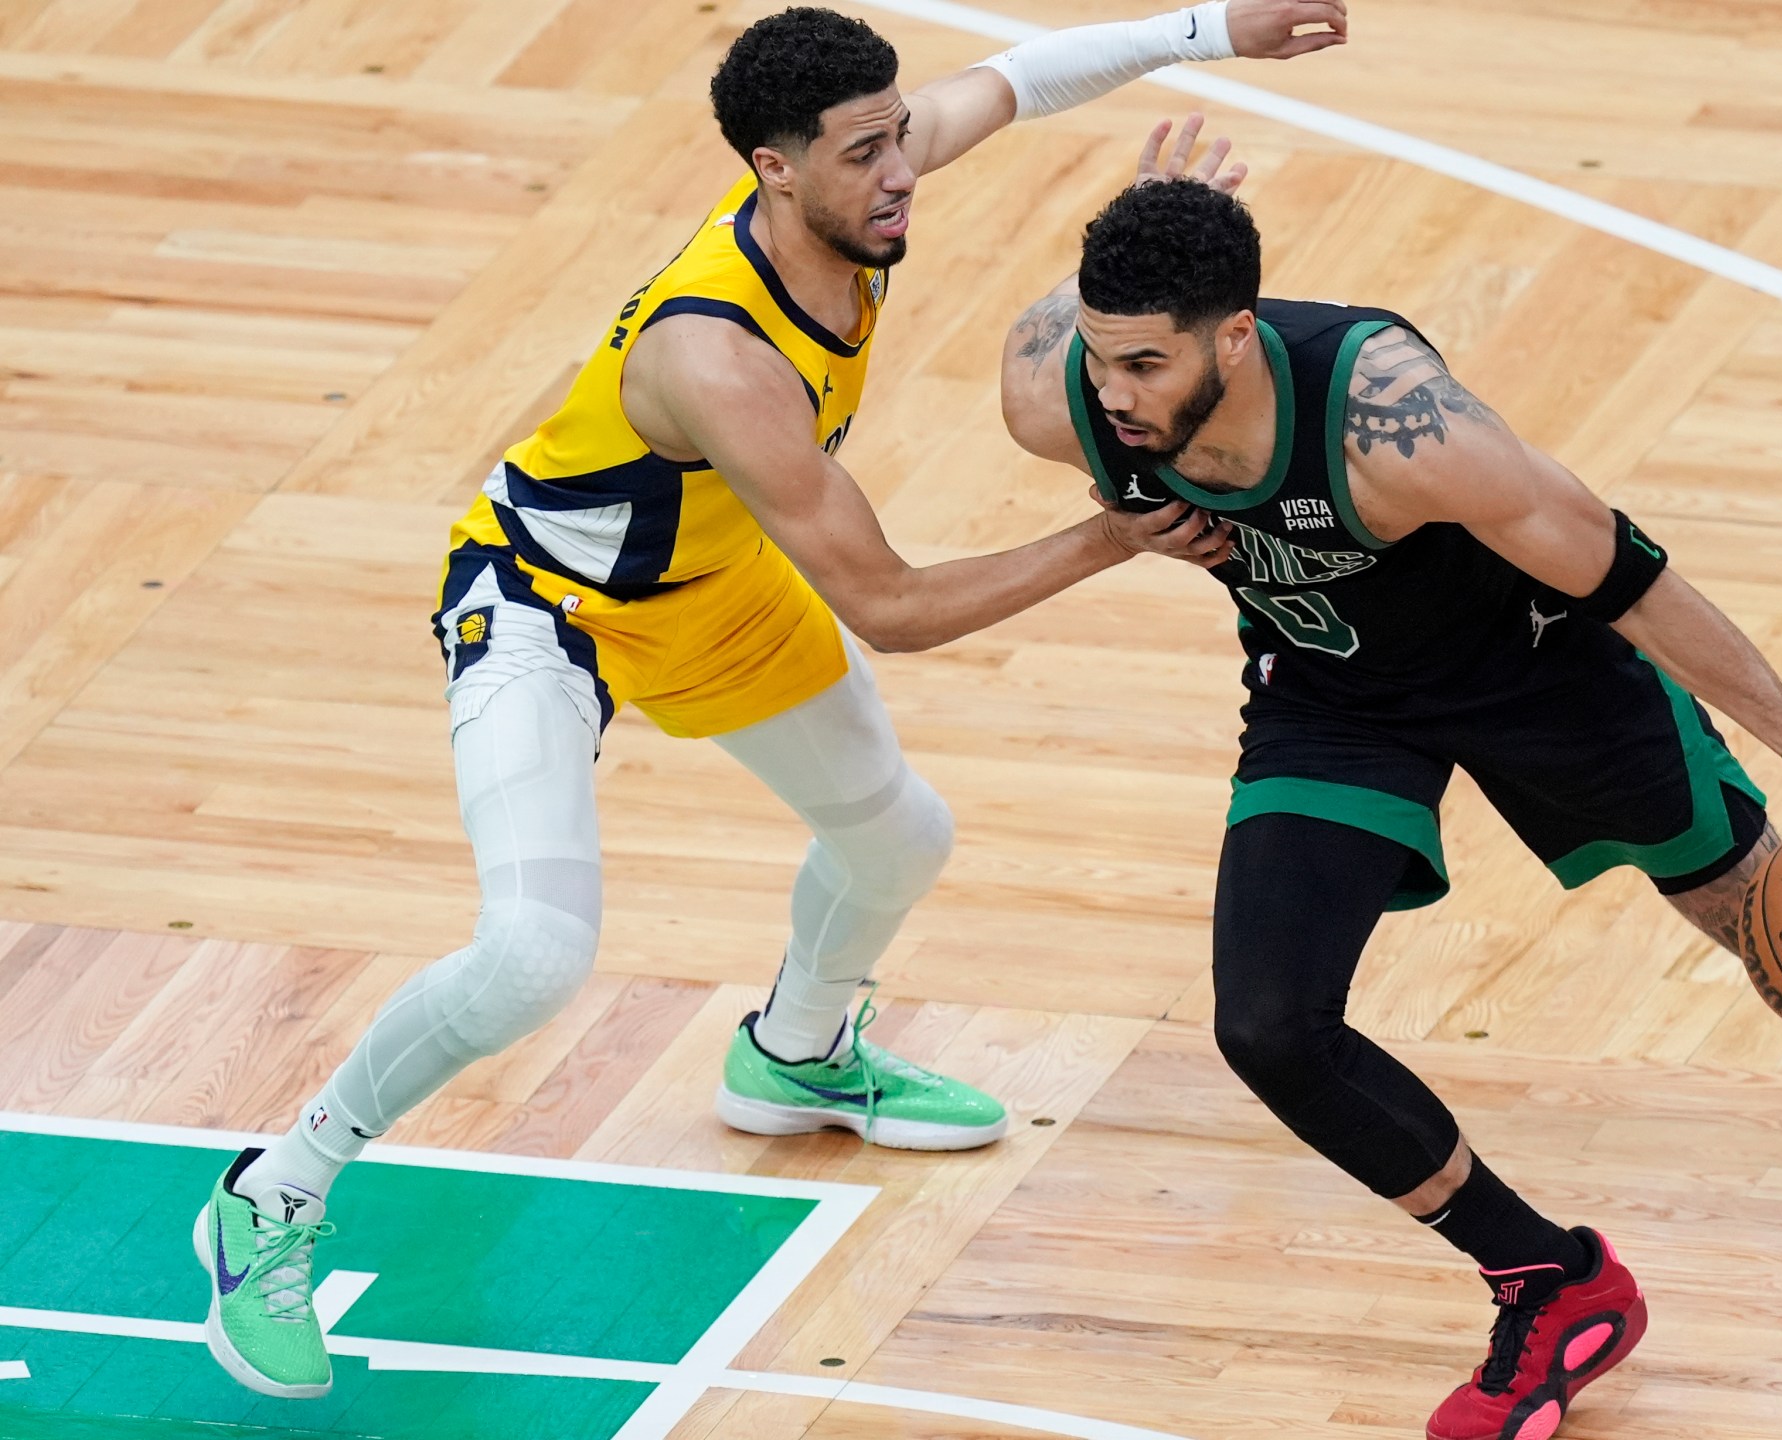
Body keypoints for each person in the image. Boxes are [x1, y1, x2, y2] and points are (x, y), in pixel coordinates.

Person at [997, 122, 1782, 1440]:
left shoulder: (1405, 427)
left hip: (1543, 677)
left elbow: (1631, 576)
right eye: (1101, 355)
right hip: (1336, 698)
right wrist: (1135, 239)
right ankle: (1555, 1288)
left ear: (1234, 338)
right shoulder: (1067, 396)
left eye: (1145, 361)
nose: (1112, 393)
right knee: (1267, 1027)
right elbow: (1021, 421)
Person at [194, 4, 1348, 1401]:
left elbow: (1022, 78)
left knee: (897, 839)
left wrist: (1217, 28)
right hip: (546, 609)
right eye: (866, 154)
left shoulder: (870, 178)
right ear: (774, 169)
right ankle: (274, 1188)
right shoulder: (717, 358)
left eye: (898, 138)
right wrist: (1108, 538)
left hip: (713, 584)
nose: (902, 172)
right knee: (534, 955)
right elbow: (895, 606)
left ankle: (796, 1055)